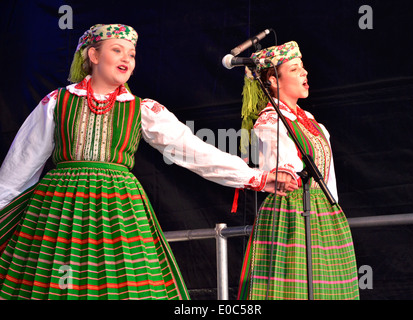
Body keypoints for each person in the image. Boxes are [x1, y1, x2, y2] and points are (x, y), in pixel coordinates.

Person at [0, 24, 297, 300]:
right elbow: (19, 166)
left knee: (121, 286)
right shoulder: (57, 103)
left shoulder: (142, 109)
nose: (127, 58)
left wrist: (254, 176)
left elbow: (193, 151)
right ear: (93, 55)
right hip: (60, 213)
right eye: (117, 50)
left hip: (116, 211)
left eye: (131, 54)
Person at [236, 41, 360, 300]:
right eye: (294, 69)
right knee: (296, 289)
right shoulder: (270, 122)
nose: (304, 73)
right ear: (272, 81)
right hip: (292, 213)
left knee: (328, 289)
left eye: (302, 67)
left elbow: (329, 177)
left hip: (322, 212)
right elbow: (284, 175)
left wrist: (333, 208)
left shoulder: (311, 121)